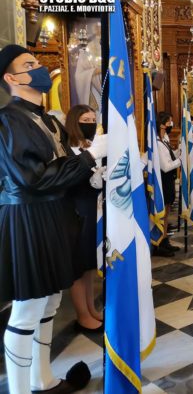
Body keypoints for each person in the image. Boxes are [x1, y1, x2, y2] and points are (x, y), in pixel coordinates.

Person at [0, 44, 106, 393]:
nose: (40, 68)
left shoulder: (47, 121)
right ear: (11, 78)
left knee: (50, 302)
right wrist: (89, 158)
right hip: (28, 218)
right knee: (28, 308)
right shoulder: (8, 120)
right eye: (29, 64)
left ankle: (42, 379)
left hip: (55, 215)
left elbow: (62, 170)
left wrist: (90, 169)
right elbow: (32, 179)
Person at [65, 105, 104, 333]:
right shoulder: (67, 149)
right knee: (78, 267)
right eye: (85, 120)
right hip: (76, 211)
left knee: (89, 265)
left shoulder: (88, 147)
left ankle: (90, 308)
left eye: (92, 119)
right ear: (74, 122)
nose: (90, 123)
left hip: (92, 209)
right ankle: (82, 315)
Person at [156, 111, 181, 257]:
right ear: (162, 125)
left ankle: (165, 240)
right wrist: (181, 161)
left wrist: (180, 151)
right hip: (163, 180)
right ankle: (160, 242)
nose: (171, 124)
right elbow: (165, 166)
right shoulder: (158, 143)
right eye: (169, 122)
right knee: (163, 213)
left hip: (168, 180)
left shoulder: (164, 140)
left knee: (167, 212)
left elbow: (170, 157)